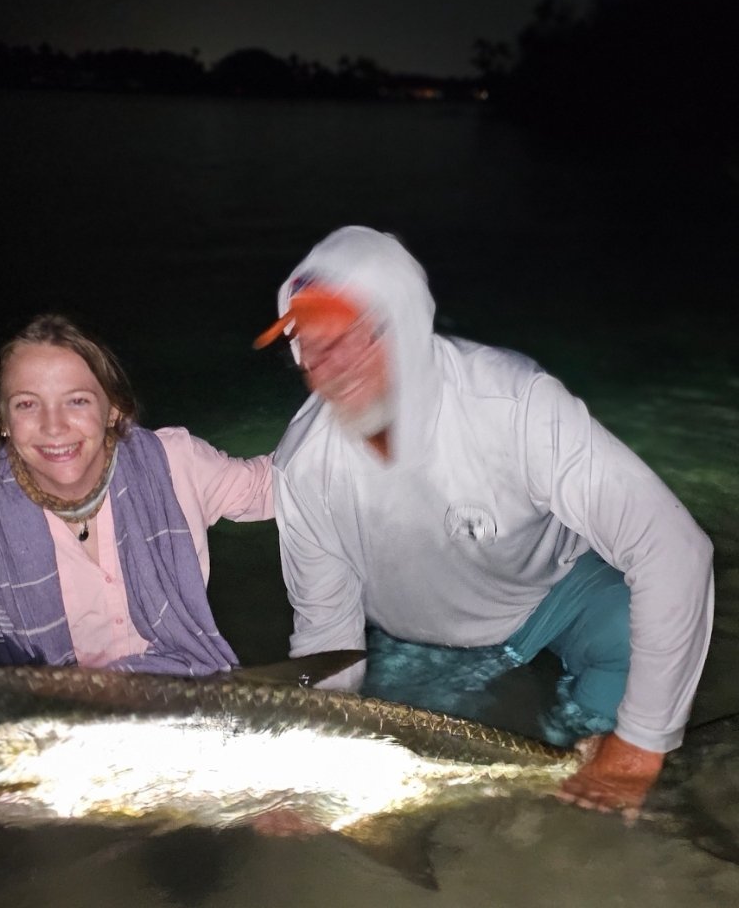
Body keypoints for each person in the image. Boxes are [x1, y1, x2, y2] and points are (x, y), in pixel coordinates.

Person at [254, 225, 714, 816]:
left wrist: (638, 747)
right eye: (310, 348)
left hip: (554, 598)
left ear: (406, 323)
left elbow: (671, 547)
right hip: (412, 634)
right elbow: (326, 636)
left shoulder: (516, 404)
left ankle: (592, 776)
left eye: (350, 338)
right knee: (380, 778)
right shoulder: (304, 466)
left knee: (637, 668)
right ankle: (551, 791)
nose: (329, 367)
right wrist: (307, 760)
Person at [0, 313, 272, 675]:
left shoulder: (175, 463)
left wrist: (332, 417)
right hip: (56, 726)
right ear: (0, 418)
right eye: (27, 404)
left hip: (192, 711)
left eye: (76, 401)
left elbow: (278, 486)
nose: (54, 426)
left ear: (112, 409)